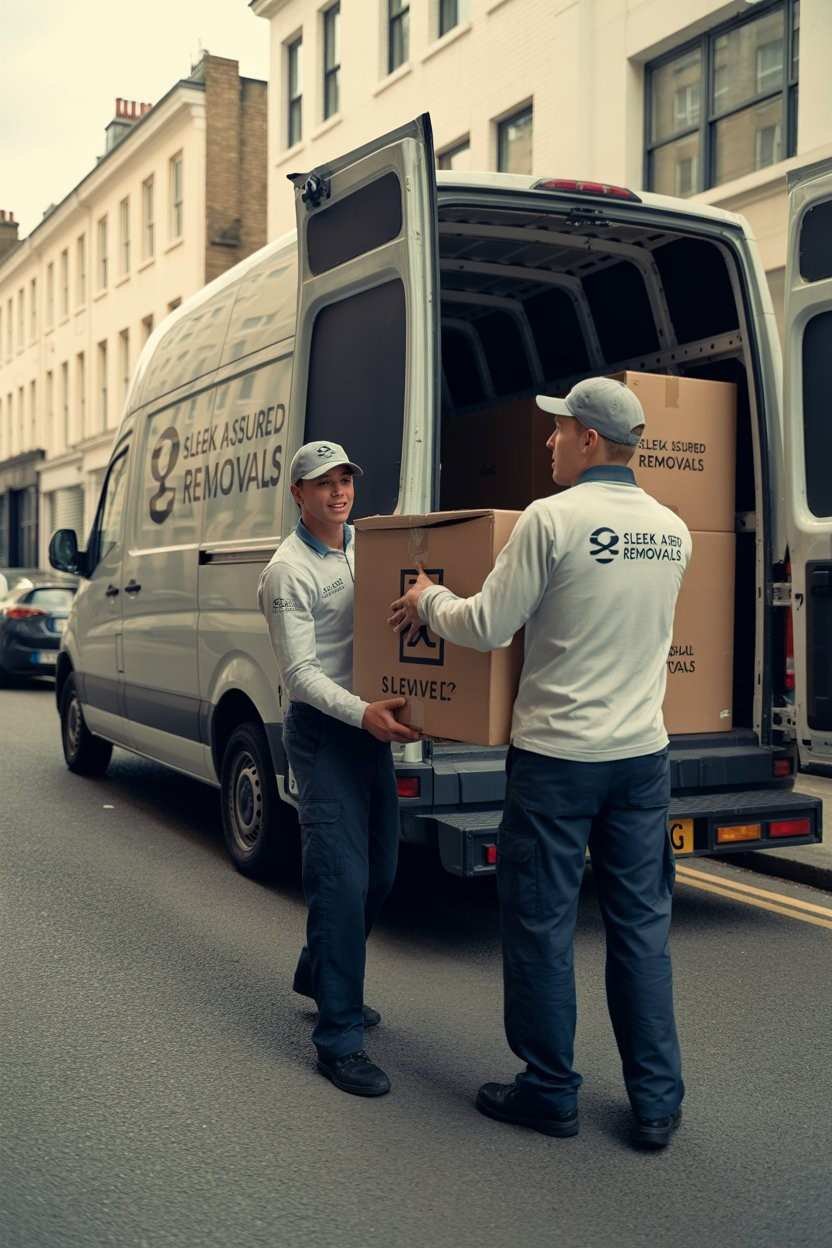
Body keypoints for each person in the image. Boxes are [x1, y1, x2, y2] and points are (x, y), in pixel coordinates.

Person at [390, 378, 691, 1148]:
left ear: (590, 439)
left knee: (542, 925)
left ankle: (549, 1090)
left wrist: (426, 597)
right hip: (641, 760)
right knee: (641, 930)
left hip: (559, 760)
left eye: (559, 430)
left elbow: (487, 626)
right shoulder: (673, 529)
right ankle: (656, 1104)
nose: (549, 440)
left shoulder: (549, 521)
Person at [258, 440, 419, 1098]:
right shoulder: (286, 571)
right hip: (326, 733)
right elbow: (300, 676)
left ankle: (321, 970)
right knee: (341, 880)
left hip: (368, 727)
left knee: (381, 870)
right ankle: (338, 1038)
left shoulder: (368, 547)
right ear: (298, 494)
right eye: (322, 483)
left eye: (345, 478)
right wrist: (363, 715)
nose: (338, 491)